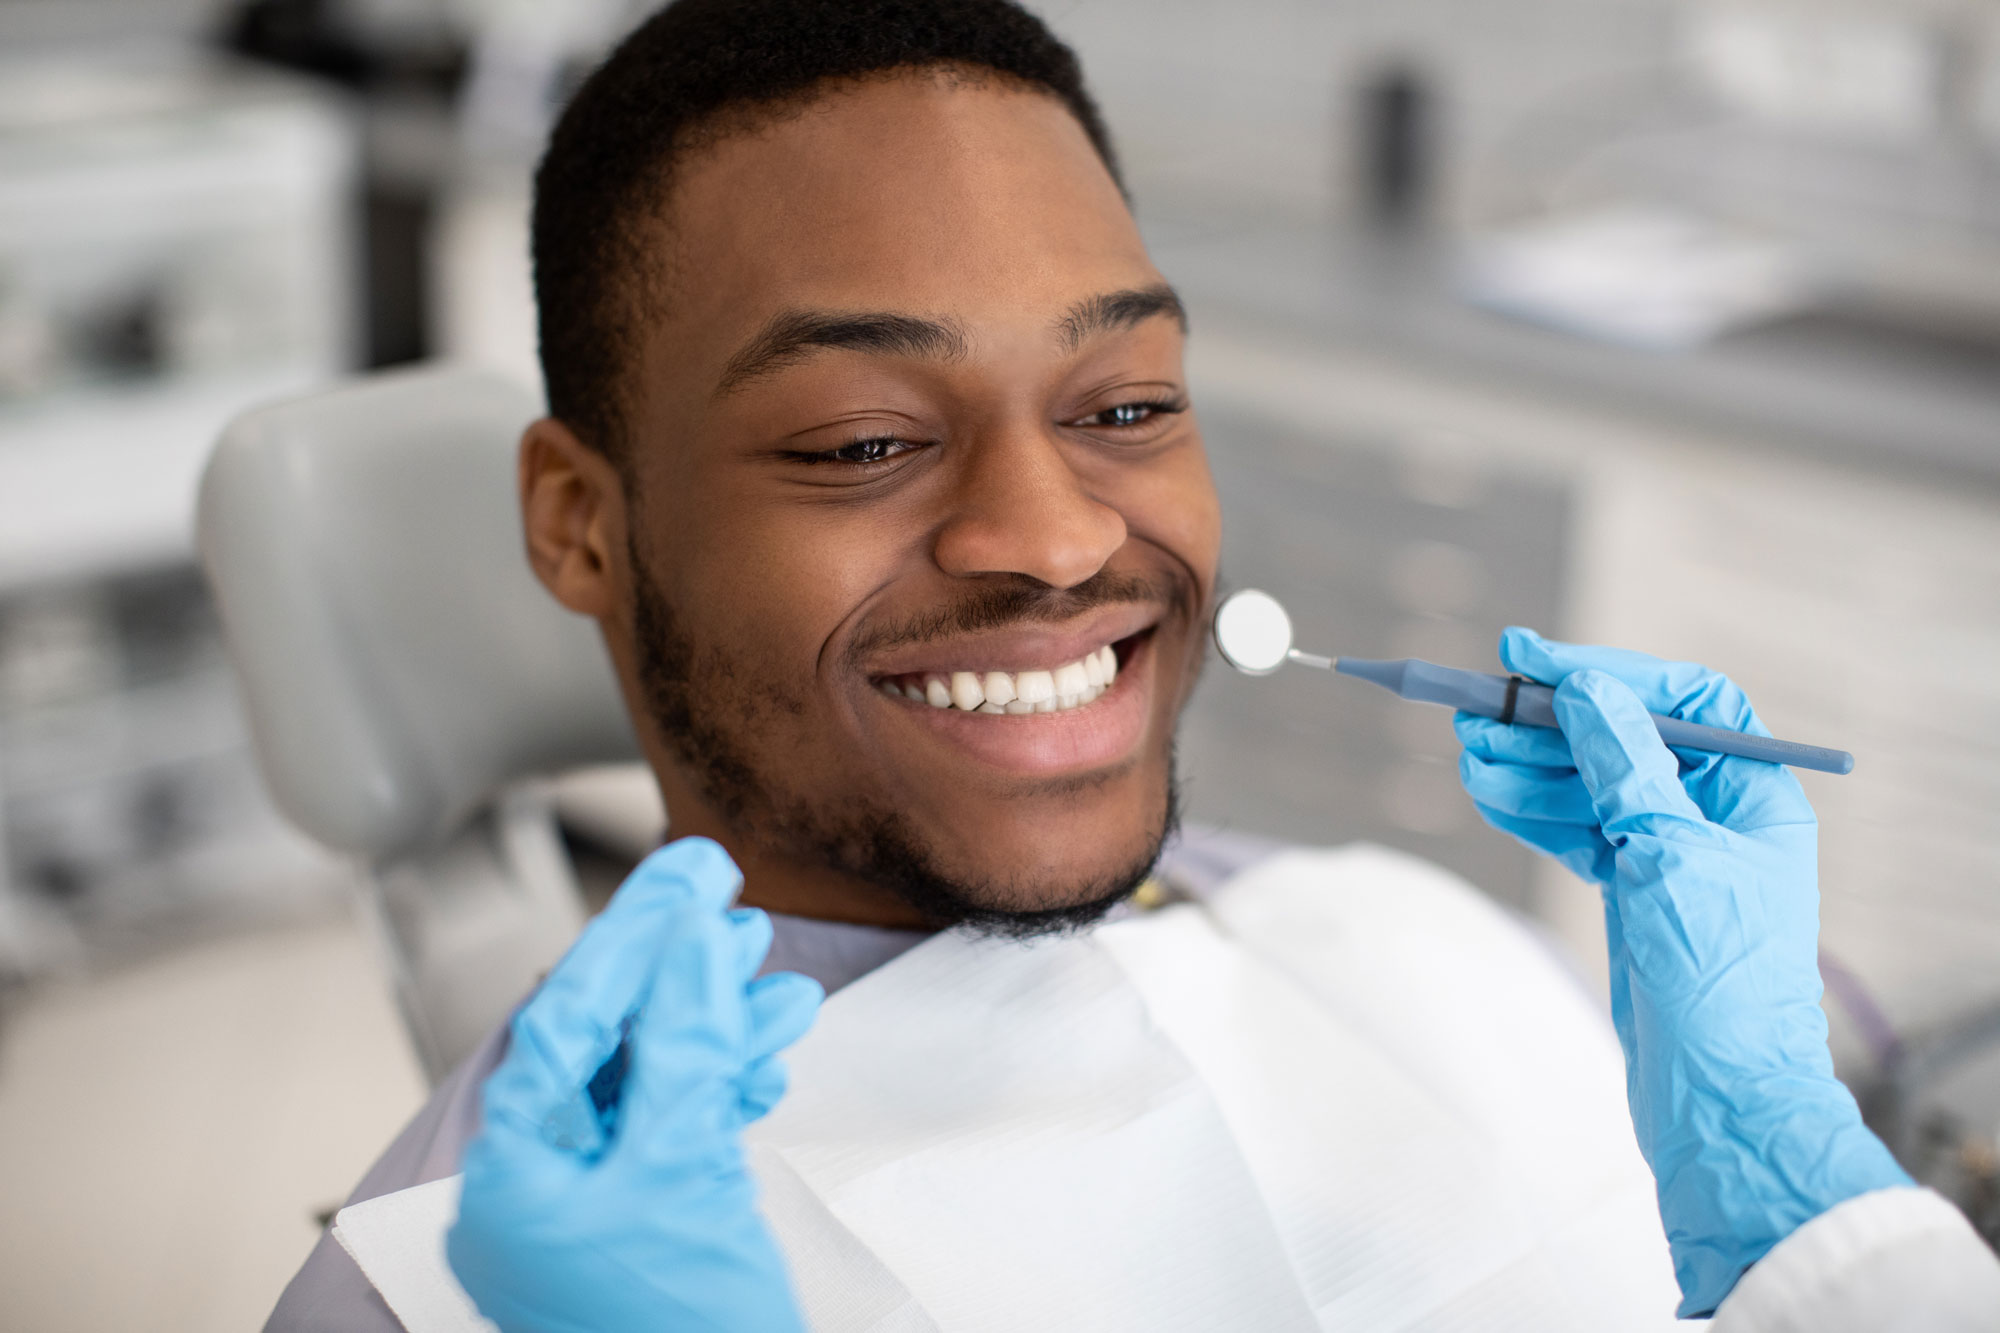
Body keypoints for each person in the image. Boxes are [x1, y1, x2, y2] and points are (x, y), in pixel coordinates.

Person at [265, 1, 2000, 1329]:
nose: (1060, 532)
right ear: (580, 524)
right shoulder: (458, 1284)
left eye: (1125, 407)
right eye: (866, 439)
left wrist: (1800, 1196)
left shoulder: (1409, 938)